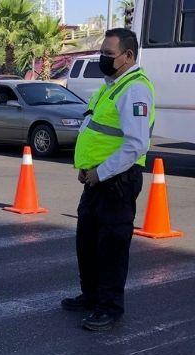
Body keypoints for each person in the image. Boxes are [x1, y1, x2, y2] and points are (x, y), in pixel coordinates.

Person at [61, 28, 154, 331]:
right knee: (86, 242)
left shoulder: (135, 89)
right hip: (96, 179)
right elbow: (94, 127)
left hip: (117, 180)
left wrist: (99, 172)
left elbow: (135, 145)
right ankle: (90, 296)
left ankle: (110, 307)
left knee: (112, 247)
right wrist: (86, 167)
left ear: (128, 56)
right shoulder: (110, 86)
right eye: (102, 52)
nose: (102, 58)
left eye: (108, 54)